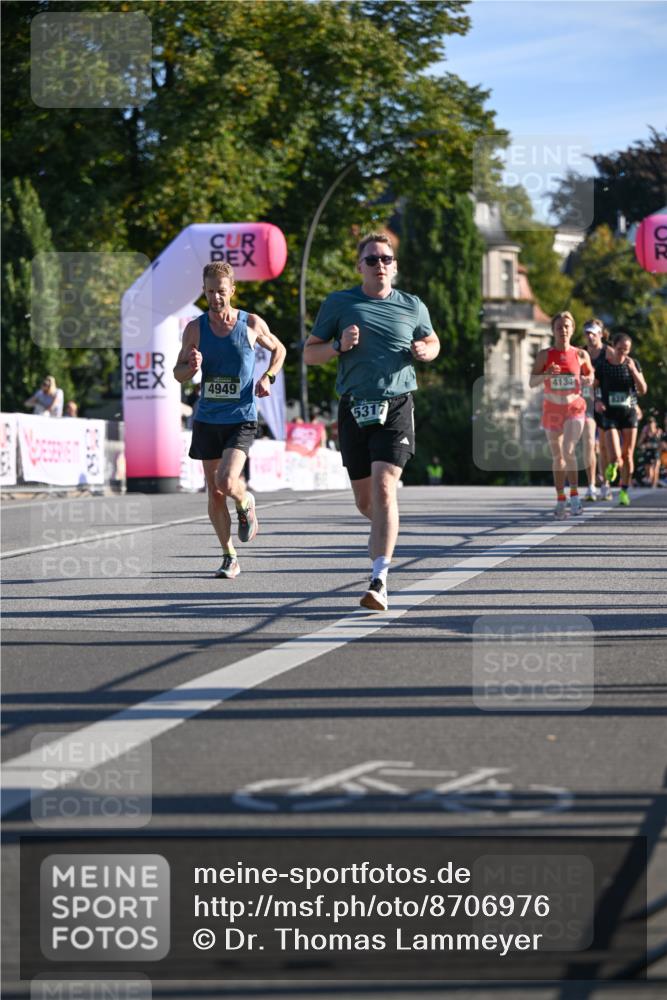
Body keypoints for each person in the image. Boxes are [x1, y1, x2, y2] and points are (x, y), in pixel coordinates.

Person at [304, 232, 440, 610]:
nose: (379, 265)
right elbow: (309, 355)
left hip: (396, 404)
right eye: (372, 259)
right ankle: (386, 523)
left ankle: (379, 579)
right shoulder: (339, 304)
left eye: (386, 259)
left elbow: (434, 342)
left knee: (383, 488)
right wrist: (336, 346)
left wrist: (425, 350)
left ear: (394, 266)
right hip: (353, 407)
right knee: (368, 501)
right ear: (359, 266)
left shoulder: (412, 305)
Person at [174, 261, 286, 578]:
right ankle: (229, 556)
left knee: (226, 481)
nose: (215, 298)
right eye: (209, 292)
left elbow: (279, 350)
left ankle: (245, 499)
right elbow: (177, 373)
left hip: (241, 417)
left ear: (232, 290)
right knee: (214, 491)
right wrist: (191, 367)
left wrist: (269, 376)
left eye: (221, 292)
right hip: (208, 418)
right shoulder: (195, 329)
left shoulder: (250, 323)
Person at [530, 311, 593, 520]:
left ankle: (574, 496)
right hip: (552, 410)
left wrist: (587, 379)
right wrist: (548, 374)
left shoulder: (581, 355)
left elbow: (590, 373)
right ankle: (560, 499)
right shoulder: (545, 355)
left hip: (574, 408)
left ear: (572, 329)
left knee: (568, 450)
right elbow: (532, 382)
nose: (563, 330)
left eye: (567, 326)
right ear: (553, 331)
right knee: (558, 457)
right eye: (559, 327)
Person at [594, 331, 647, 507]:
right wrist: (597, 401)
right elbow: (593, 388)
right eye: (620, 349)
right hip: (609, 414)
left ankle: (624, 491)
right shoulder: (603, 366)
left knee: (628, 455)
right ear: (613, 347)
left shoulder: (633, 364)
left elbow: (643, 389)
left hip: (629, 412)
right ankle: (613, 465)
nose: (623, 353)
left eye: (626, 350)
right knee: (616, 455)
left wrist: (633, 371)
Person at [581, 318, 612, 501]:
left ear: (601, 333)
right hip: (587, 403)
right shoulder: (580, 353)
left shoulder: (609, 353)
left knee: (605, 447)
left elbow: (619, 379)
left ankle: (606, 485)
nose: (590, 336)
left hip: (606, 404)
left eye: (593, 332)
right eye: (587, 333)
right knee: (589, 444)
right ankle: (591, 485)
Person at [637, 415, 662, 487]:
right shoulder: (645, 433)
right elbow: (639, 444)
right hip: (648, 452)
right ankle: (651, 482)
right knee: (649, 471)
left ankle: (654, 485)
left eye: (652, 422)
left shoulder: (659, 431)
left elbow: (662, 442)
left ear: (655, 423)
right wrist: (645, 445)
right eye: (649, 423)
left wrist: (658, 445)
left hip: (656, 452)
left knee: (656, 468)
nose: (650, 424)